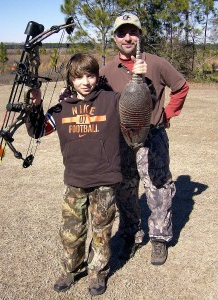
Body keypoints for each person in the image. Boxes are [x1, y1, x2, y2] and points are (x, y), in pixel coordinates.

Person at [26, 53, 145, 295]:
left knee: (102, 233)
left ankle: (97, 273)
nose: (86, 82)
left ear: (97, 76)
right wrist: (35, 105)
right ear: (70, 80)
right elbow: (38, 130)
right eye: (79, 77)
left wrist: (139, 80)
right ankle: (71, 269)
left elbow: (137, 107)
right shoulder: (60, 108)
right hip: (75, 181)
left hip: (105, 180)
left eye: (90, 75)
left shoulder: (112, 100)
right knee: (71, 232)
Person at [99, 12, 189, 265]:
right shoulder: (106, 71)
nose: (127, 37)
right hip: (122, 138)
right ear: (115, 37)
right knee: (125, 189)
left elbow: (181, 86)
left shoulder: (157, 63)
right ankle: (130, 234)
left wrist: (167, 114)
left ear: (140, 35)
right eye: (121, 32)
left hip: (153, 137)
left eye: (133, 32)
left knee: (158, 187)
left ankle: (159, 238)